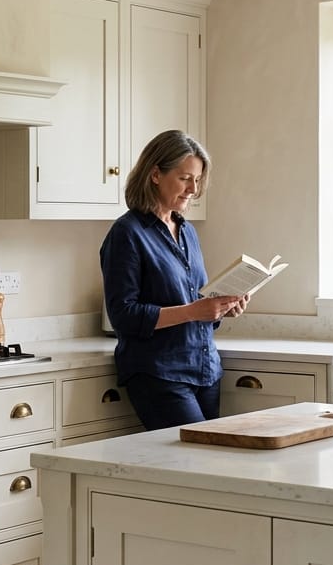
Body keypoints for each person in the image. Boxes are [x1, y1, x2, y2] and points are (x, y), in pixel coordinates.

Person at [100, 129, 248, 429]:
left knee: (210, 467)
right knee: (193, 467)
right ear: (155, 174)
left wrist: (221, 308)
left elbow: (194, 303)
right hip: (159, 374)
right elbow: (123, 316)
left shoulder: (187, 231)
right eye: (185, 178)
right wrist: (195, 311)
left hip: (205, 370)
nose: (194, 189)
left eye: (198, 179)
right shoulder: (127, 233)